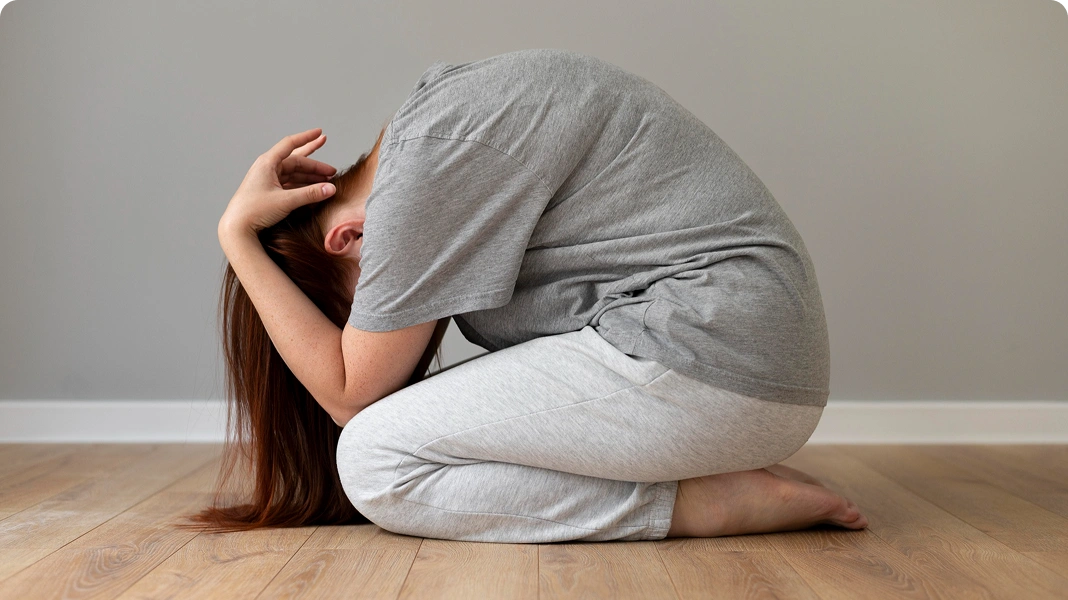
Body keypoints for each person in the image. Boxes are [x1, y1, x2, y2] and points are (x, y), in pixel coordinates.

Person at [192, 48, 868, 542]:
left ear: (348, 239)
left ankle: (699, 506)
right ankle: (701, 482)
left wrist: (237, 238)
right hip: (735, 353)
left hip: (707, 350)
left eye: (355, 311)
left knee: (374, 459)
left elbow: (349, 393)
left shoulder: (426, 171)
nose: (385, 325)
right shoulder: (437, 128)